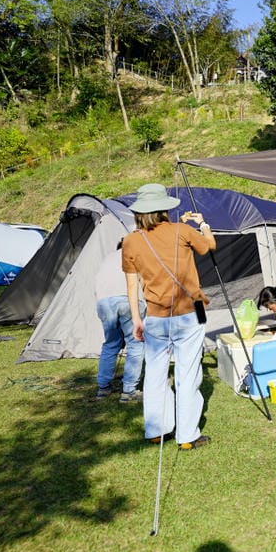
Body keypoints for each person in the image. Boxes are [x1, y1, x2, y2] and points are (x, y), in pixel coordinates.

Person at [121, 184, 216, 450]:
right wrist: (203, 225)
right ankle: (187, 436)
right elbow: (208, 247)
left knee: (154, 373)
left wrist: (136, 319)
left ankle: (156, 430)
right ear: (164, 208)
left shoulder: (130, 241)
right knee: (188, 372)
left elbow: (131, 285)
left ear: (139, 212)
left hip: (155, 316)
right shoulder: (182, 231)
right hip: (190, 312)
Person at [93, 242, 144, 402]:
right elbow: (142, 281)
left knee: (111, 343)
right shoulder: (136, 255)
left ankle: (103, 388)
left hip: (104, 302)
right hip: (127, 299)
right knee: (135, 343)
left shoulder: (107, 258)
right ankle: (129, 391)